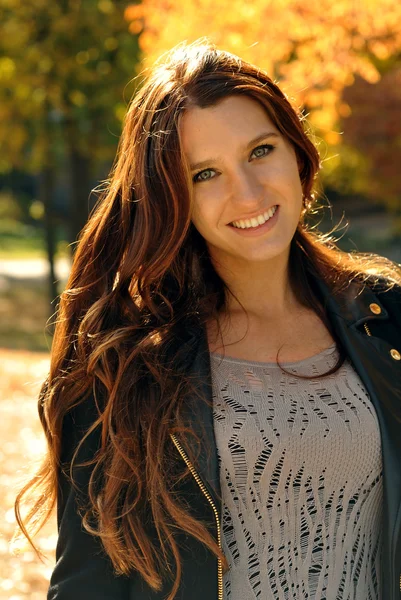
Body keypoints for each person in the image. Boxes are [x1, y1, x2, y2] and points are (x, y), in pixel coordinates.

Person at [15, 39, 401, 600]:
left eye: (260, 151)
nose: (246, 193)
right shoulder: (127, 365)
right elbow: (88, 583)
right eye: (205, 174)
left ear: (298, 152)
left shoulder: (384, 319)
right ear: (172, 198)